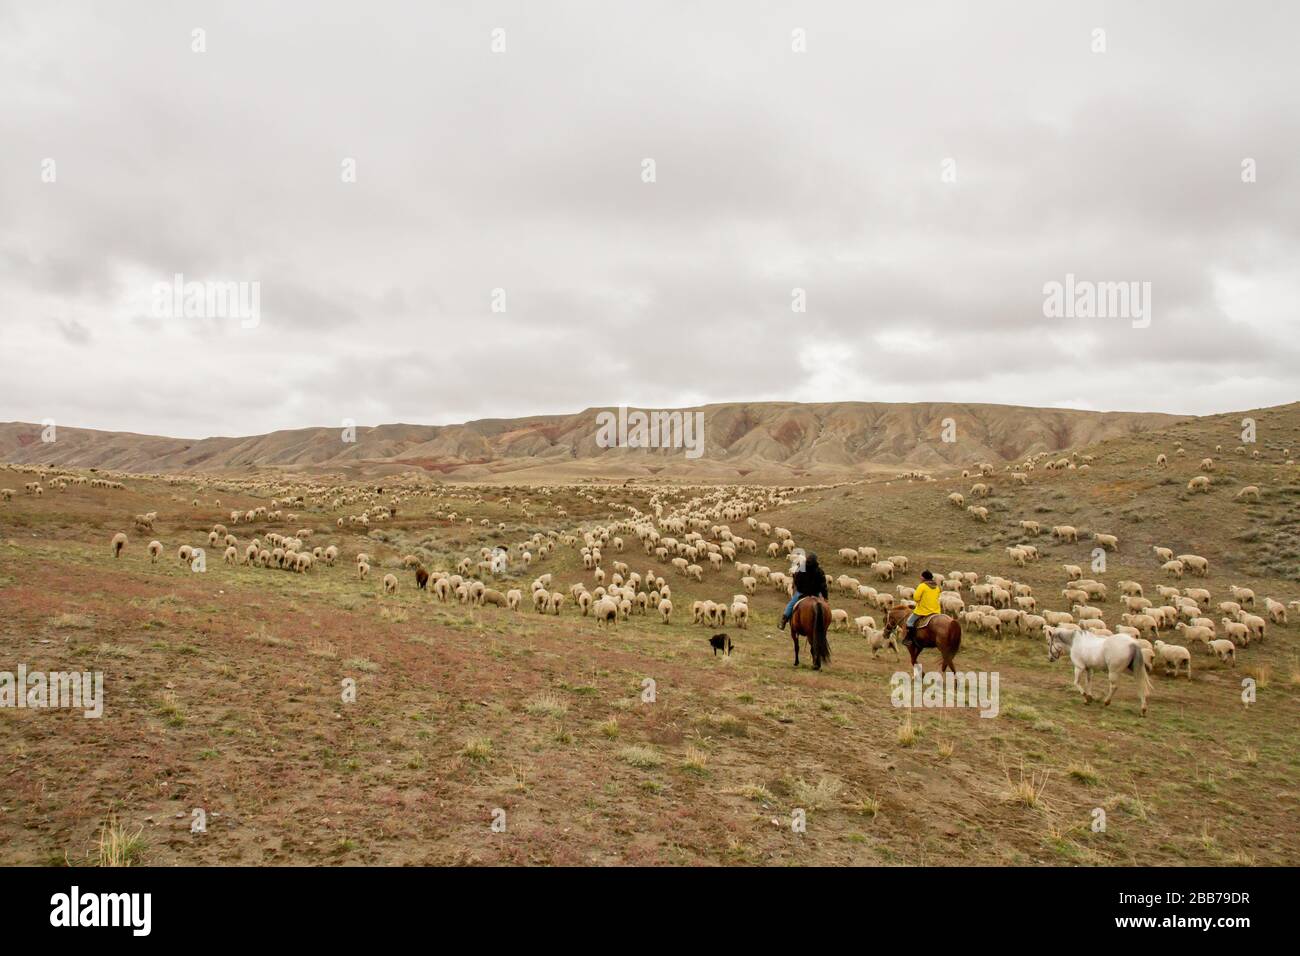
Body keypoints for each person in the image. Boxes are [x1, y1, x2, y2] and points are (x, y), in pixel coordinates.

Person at [778, 552, 828, 630]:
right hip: (816, 594)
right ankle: (826, 623)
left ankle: (783, 621)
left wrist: (800, 588)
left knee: (791, 604)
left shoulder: (801, 568)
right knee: (825, 607)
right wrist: (825, 597)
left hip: (802, 592)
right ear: (816, 561)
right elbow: (823, 585)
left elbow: (797, 580)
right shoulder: (820, 571)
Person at [904, 570, 943, 649]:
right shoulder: (937, 587)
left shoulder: (922, 586)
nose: (920, 577)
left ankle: (909, 639)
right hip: (936, 611)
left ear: (924, 577)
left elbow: (916, 598)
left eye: (921, 576)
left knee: (909, 622)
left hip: (923, 610)